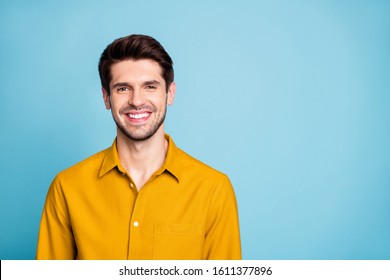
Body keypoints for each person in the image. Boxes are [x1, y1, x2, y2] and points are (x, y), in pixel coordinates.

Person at [36, 34, 241, 260]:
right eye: (123, 88)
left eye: (150, 86)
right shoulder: (67, 188)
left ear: (169, 93)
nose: (136, 100)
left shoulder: (213, 189)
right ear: (106, 97)